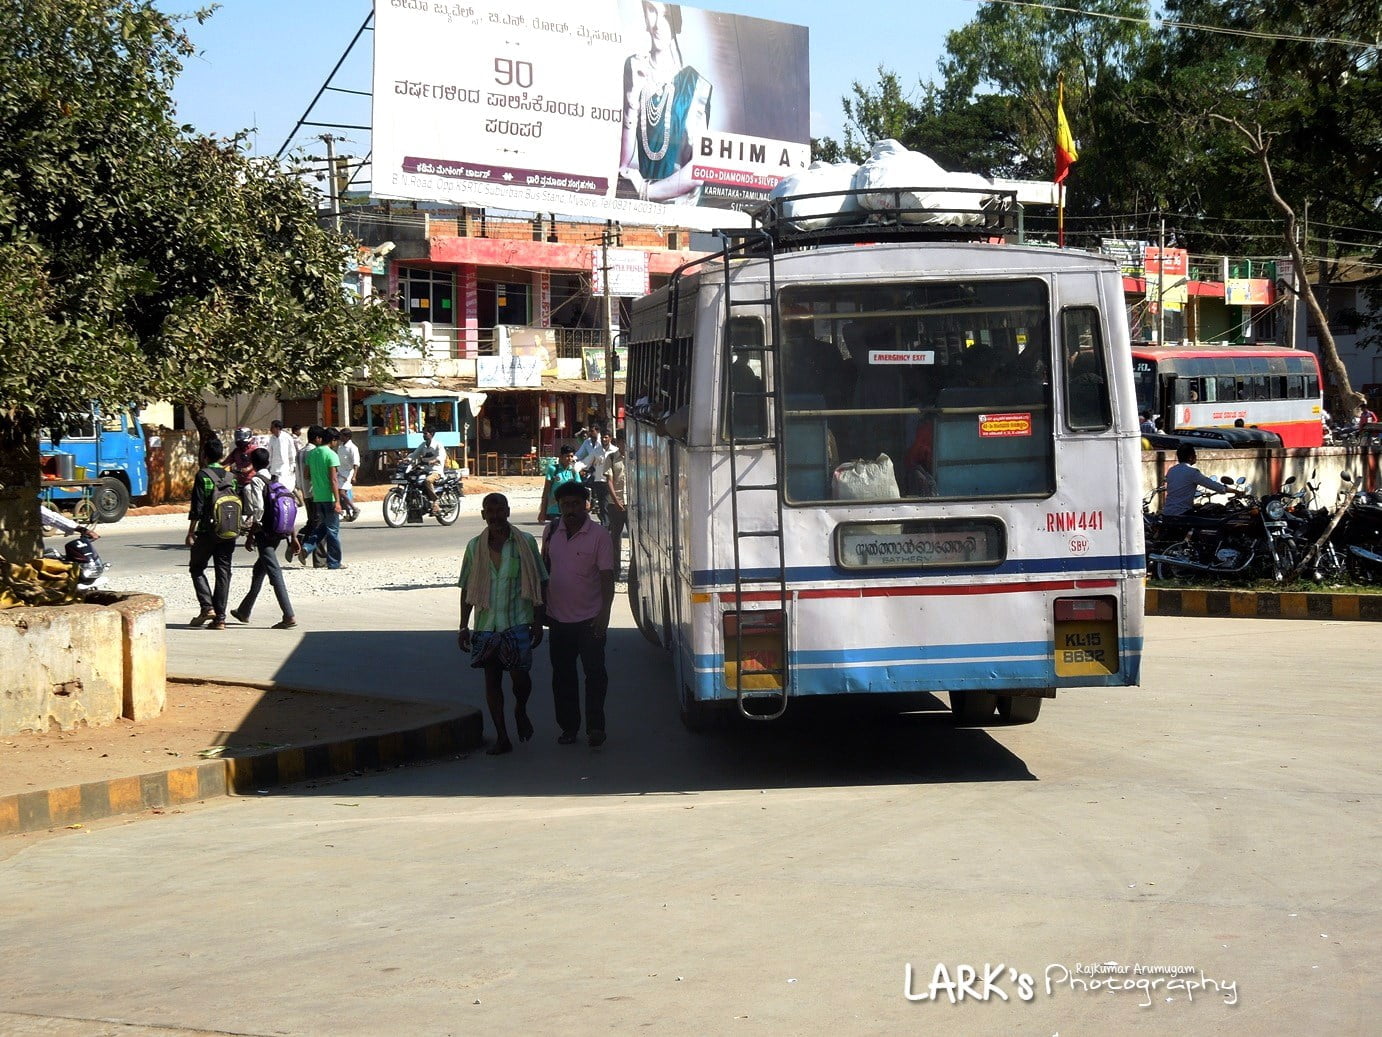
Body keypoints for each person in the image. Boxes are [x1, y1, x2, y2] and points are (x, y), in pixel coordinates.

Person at [458, 493, 548, 755]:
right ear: (483, 514)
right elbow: (466, 589)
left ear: (508, 512)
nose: (495, 515)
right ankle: (502, 736)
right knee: (492, 680)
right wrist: (464, 626)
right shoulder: (474, 547)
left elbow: (539, 581)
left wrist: (538, 621)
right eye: (490, 511)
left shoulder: (525, 543)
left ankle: (521, 709)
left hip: (518, 622)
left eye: (500, 510)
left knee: (520, 679)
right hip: (486, 625)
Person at [542, 480, 616, 747]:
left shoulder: (599, 535)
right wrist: (540, 613)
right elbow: (544, 572)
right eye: (565, 505)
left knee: (595, 674)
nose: (570, 509)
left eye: (575, 504)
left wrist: (604, 614)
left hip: (590, 620)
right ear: (559, 506)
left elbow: (607, 577)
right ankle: (569, 728)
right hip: (558, 619)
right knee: (562, 677)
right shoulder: (551, 532)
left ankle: (595, 727)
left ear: (586, 505)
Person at [617, 1, 712, 204]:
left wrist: (645, 191)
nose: (658, 24)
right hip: (636, 209)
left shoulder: (694, 85)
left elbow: (699, 169)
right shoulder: (634, 67)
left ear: (677, 22)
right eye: (652, 11)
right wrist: (632, 97)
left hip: (677, 209)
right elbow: (623, 165)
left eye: (667, 16)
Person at [230, 448, 297, 629]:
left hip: (265, 533)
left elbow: (257, 512)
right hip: (279, 531)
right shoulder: (277, 480)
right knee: (259, 569)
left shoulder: (255, 483)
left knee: (274, 571)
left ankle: (288, 614)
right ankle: (244, 610)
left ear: (252, 463)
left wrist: (251, 535)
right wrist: (293, 535)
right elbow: (286, 507)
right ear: (268, 462)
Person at [186, 436, 237, 629]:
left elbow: (196, 508)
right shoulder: (232, 477)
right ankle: (221, 618)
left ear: (205, 455)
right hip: (228, 531)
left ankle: (207, 607)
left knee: (197, 567)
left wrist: (191, 533)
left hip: (207, 531)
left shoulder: (202, 475)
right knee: (223, 573)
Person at [296, 426, 346, 570]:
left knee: (323, 527)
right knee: (333, 531)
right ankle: (334, 562)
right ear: (333, 440)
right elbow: (334, 480)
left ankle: (307, 546)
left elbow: (306, 475)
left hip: (317, 497)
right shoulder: (331, 455)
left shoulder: (312, 454)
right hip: (329, 497)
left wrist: (318, 477)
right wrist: (337, 501)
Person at [1160, 443, 1246, 517]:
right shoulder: (1192, 472)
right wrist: (1236, 491)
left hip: (1167, 512)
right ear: (1190, 457)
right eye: (1194, 454)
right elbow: (1214, 485)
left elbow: (1180, 486)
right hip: (1182, 513)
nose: (1196, 456)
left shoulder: (1171, 470)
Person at [409, 424, 447, 516]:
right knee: (413, 480)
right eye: (423, 433)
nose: (424, 435)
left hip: (436, 471)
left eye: (425, 433)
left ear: (431, 434)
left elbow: (442, 456)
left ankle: (436, 501)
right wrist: (405, 459)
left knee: (427, 481)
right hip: (425, 470)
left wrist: (434, 460)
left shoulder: (438, 445)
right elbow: (414, 454)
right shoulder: (423, 445)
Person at [537, 445, 581, 523]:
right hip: (554, 509)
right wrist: (543, 511)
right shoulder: (553, 469)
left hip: (570, 509)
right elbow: (546, 492)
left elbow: (579, 489)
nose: (570, 459)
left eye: (571, 456)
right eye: (567, 456)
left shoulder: (573, 471)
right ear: (561, 456)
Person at [605, 432, 628, 579]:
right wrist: (617, 500)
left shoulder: (636, 456)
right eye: (623, 441)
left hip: (633, 504)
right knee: (615, 538)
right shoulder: (612, 458)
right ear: (618, 442)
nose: (625, 444)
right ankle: (616, 571)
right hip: (615, 504)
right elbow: (609, 481)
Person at [588, 429, 617, 524]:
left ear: (610, 438)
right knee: (602, 505)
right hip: (599, 481)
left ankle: (609, 525)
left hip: (611, 482)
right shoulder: (596, 451)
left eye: (606, 437)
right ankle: (605, 525)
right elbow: (587, 462)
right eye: (602, 438)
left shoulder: (615, 451)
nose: (604, 439)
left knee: (609, 505)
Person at [336, 427, 361, 522]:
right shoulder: (340, 446)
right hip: (340, 471)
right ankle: (348, 513)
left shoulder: (353, 448)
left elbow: (356, 463)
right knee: (340, 493)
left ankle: (355, 509)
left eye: (342, 436)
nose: (340, 437)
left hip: (348, 472)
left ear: (347, 437)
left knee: (342, 492)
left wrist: (354, 476)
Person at [267, 419, 297, 492]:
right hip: (274, 468)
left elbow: (292, 451)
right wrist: (269, 465)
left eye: (272, 427)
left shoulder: (287, 437)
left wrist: (292, 464)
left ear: (277, 428)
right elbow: (270, 452)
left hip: (285, 467)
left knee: (287, 487)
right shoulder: (272, 439)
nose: (270, 429)